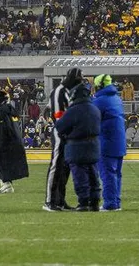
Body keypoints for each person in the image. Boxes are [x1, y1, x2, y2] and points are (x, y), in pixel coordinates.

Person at [54, 80, 101, 211]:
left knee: (80, 177)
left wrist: (59, 116)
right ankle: (95, 201)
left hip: (77, 148)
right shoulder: (95, 109)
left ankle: (84, 202)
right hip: (94, 146)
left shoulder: (73, 110)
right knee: (93, 175)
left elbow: (60, 127)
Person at [43, 68, 80, 211]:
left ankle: (59, 200)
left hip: (67, 133)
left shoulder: (67, 91)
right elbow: (58, 114)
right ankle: (49, 201)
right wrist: (66, 128)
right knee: (56, 165)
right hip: (60, 132)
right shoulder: (59, 90)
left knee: (64, 168)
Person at [92, 74, 127, 211]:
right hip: (119, 143)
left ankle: (110, 204)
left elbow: (90, 114)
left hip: (107, 143)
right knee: (116, 174)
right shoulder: (116, 98)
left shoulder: (100, 101)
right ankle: (115, 201)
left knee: (107, 174)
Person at [0, 90, 29, 194]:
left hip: (3, 141)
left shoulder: (0, 111)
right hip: (14, 140)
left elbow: (2, 128)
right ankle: (7, 184)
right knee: (8, 163)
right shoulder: (11, 110)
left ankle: (6, 184)